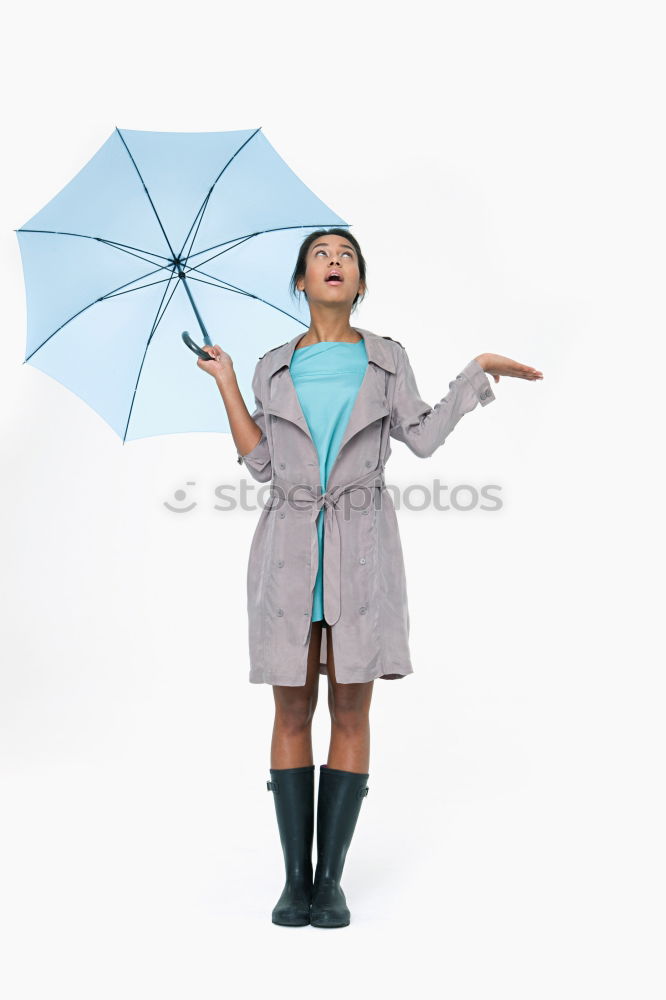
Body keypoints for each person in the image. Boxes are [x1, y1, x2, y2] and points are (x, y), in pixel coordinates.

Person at [197, 229, 543, 929]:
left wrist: (474, 374)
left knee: (351, 711)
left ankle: (331, 882)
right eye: (321, 255)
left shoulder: (386, 360)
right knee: (291, 711)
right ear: (301, 280)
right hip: (289, 548)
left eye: (346, 256)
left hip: (362, 549)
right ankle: (294, 881)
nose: (334, 262)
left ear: (359, 284)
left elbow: (419, 436)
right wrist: (229, 384)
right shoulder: (269, 366)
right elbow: (261, 466)